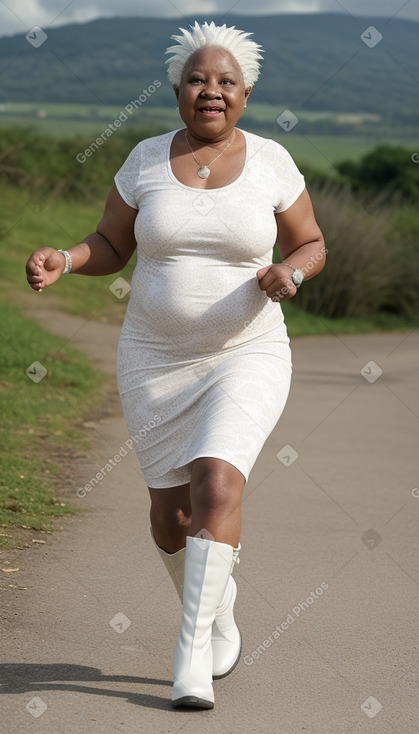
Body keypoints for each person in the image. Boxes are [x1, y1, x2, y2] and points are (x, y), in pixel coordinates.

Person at [26, 20, 326, 710]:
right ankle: (217, 616)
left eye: (225, 82)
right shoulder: (142, 159)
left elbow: (310, 242)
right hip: (154, 358)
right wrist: (66, 260)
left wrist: (290, 272)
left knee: (217, 486)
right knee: (171, 514)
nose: (210, 91)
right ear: (176, 91)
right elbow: (110, 241)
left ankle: (189, 655)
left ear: (245, 94)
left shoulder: (273, 161)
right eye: (197, 79)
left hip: (244, 353)